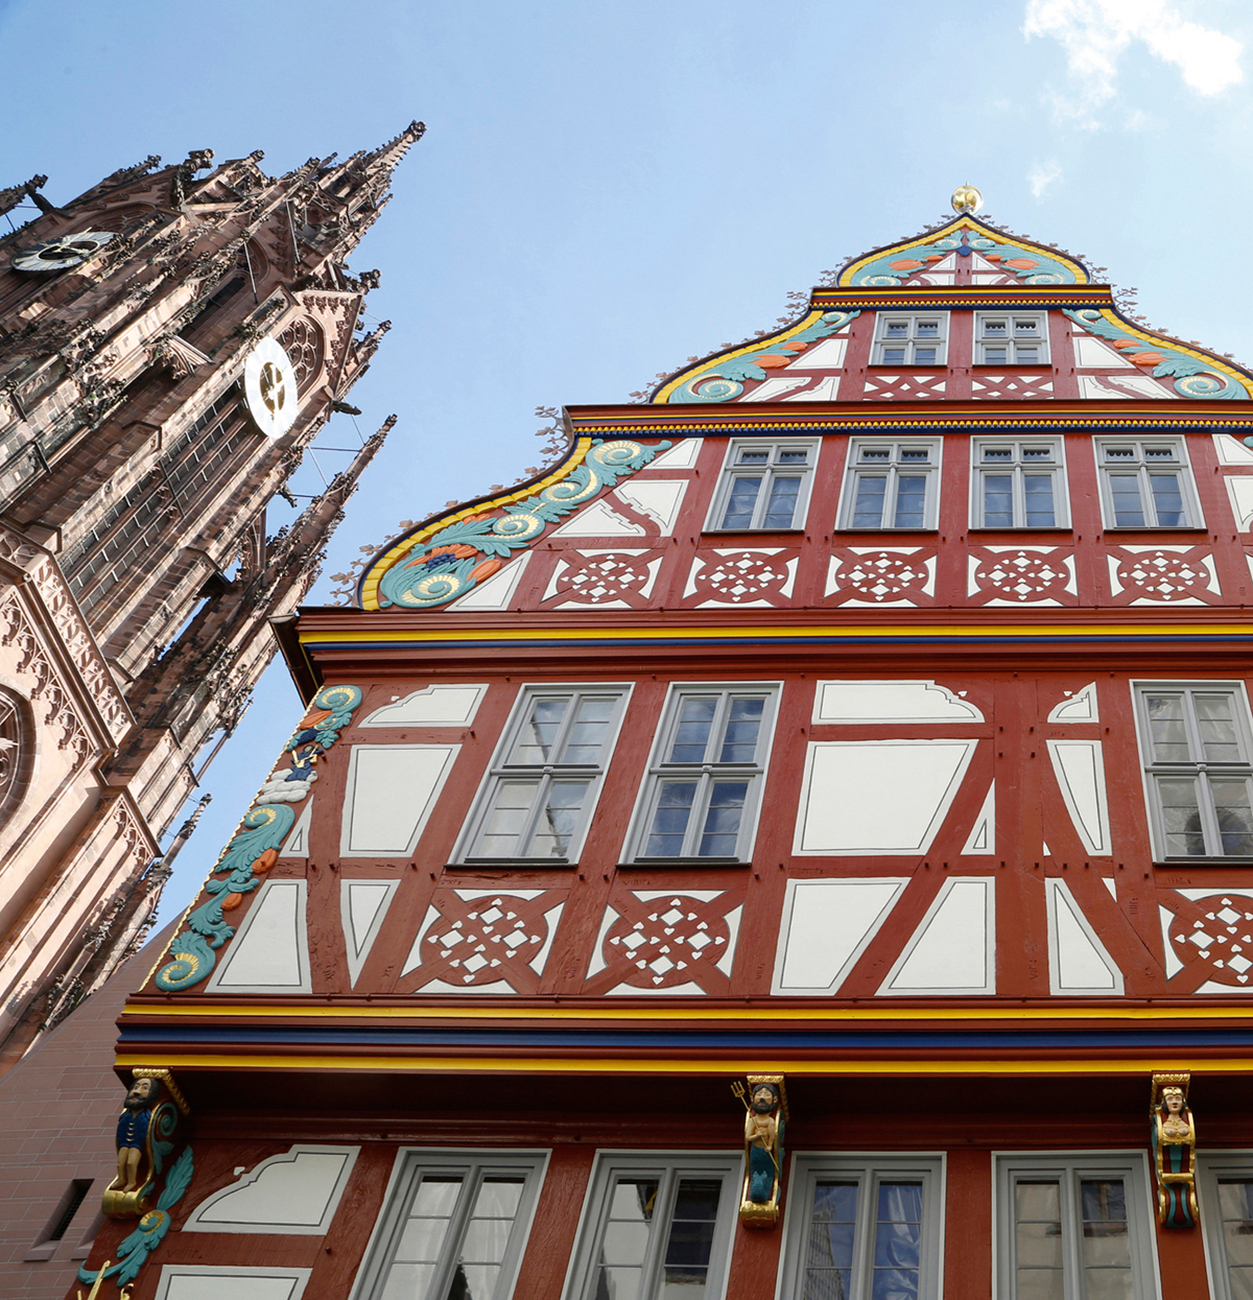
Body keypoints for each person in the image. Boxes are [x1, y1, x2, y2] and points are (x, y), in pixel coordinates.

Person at [115, 1075, 162, 1191]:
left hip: (136, 1142)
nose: (136, 1092)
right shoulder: (127, 1115)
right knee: (120, 1163)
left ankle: (132, 1181)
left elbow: (146, 1127)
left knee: (131, 1163)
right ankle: (122, 1179)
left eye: (145, 1088)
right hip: (124, 1141)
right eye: (135, 1087)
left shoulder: (146, 1115)